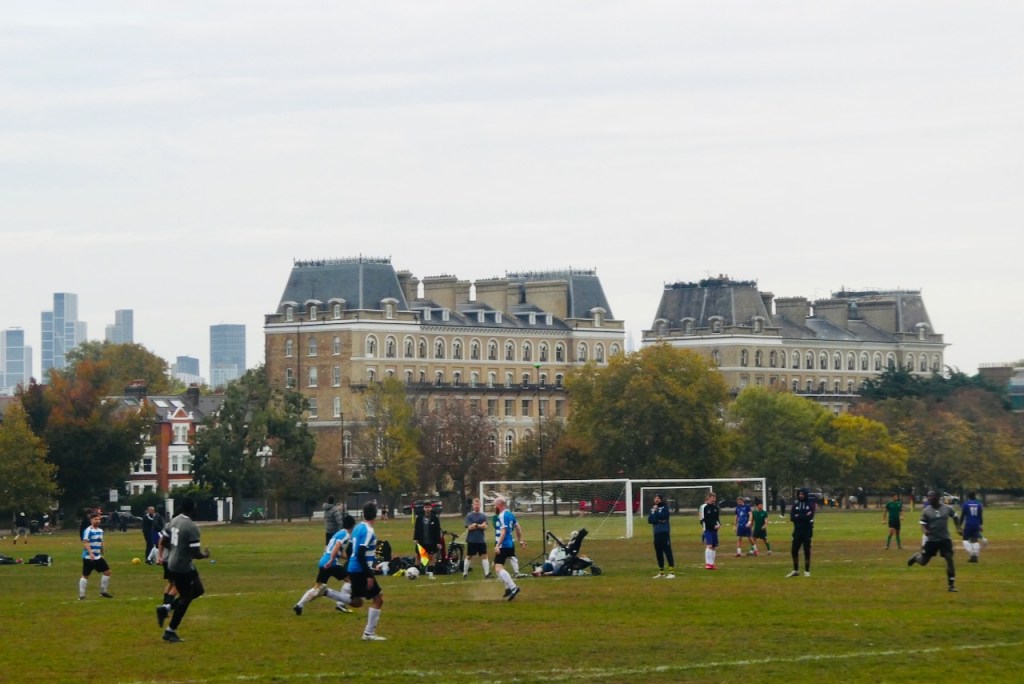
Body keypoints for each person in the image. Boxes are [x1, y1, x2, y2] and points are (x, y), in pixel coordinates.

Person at [156, 498, 211, 642]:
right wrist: (205, 555)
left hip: (175, 563)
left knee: (198, 590)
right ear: (193, 509)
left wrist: (175, 550)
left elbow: (164, 541)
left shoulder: (174, 520)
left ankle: (166, 608)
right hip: (182, 567)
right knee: (186, 598)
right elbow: (195, 553)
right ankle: (170, 631)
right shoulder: (191, 527)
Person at [294, 514, 356, 615]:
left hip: (323, 561)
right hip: (331, 563)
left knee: (318, 587)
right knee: (351, 580)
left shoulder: (338, 533)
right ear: (352, 526)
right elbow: (337, 546)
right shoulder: (346, 534)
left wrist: (348, 558)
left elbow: (334, 550)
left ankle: (299, 605)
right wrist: (331, 560)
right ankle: (340, 604)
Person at [347, 502, 386, 641]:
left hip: (354, 568)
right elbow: (360, 553)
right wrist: (369, 575)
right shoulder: (369, 531)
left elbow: (349, 550)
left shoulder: (358, 527)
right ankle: (369, 634)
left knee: (357, 601)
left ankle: (328, 593)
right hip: (360, 570)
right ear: (375, 514)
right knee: (378, 598)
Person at [908, 490, 961, 592]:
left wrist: (958, 528)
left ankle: (951, 585)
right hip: (932, 540)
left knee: (949, 558)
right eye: (928, 497)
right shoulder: (926, 511)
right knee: (923, 562)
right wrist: (925, 531)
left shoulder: (947, 508)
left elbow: (955, 517)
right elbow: (922, 524)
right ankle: (916, 557)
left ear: (937, 498)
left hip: (945, 539)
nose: (929, 499)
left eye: (931, 497)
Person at [492, 496, 524, 600]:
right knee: (497, 567)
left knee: (498, 567)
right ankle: (508, 588)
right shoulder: (510, 514)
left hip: (503, 545)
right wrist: (520, 541)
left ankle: (513, 587)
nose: (494, 507)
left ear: (499, 505)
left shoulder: (502, 515)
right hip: (511, 545)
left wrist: (497, 545)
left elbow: (503, 531)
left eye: (494, 505)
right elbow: (518, 528)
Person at [79, 511, 113, 600]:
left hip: (97, 556)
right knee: (85, 575)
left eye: (99, 519)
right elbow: (85, 542)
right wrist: (90, 553)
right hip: (89, 557)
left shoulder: (100, 531)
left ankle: (103, 592)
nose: (98, 521)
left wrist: (102, 553)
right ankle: (82, 595)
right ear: (91, 520)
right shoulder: (88, 530)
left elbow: (101, 541)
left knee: (107, 572)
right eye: (95, 519)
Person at [786, 488, 815, 577]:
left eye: (802, 494)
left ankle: (807, 571)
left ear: (805, 495)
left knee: (806, 550)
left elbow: (809, 517)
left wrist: (798, 516)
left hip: (807, 531)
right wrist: (802, 516)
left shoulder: (810, 505)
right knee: (794, 550)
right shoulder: (795, 505)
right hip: (797, 531)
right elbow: (792, 517)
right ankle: (795, 570)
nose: (800, 496)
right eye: (799, 494)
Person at [647, 493, 675, 579]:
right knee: (658, 553)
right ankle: (661, 572)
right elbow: (650, 520)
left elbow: (664, 517)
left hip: (664, 533)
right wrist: (657, 518)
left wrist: (657, 515)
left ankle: (671, 572)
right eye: (655, 498)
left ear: (661, 499)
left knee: (667, 552)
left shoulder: (665, 507)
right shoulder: (653, 508)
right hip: (656, 533)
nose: (656, 499)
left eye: (658, 498)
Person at [463, 497, 490, 579]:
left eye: (478, 504)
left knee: (484, 555)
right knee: (469, 556)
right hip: (472, 539)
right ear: (473, 505)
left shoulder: (483, 516)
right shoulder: (469, 515)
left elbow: (485, 526)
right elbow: (469, 527)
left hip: (481, 539)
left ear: (480, 505)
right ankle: (465, 573)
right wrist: (479, 525)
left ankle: (487, 573)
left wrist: (477, 525)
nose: (477, 506)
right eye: (475, 505)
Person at [413, 503, 441, 574]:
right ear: (424, 508)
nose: (427, 509)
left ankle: (430, 572)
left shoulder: (435, 518)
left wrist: (438, 542)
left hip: (431, 541)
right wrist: (415, 538)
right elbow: (416, 529)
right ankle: (416, 572)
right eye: (426, 507)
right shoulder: (419, 518)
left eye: (428, 507)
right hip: (421, 540)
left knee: (431, 556)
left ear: (431, 508)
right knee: (418, 555)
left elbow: (437, 531)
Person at [699, 492, 721, 570]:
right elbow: (704, 520)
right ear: (708, 498)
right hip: (707, 529)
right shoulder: (705, 507)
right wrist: (713, 525)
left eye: (715, 498)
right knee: (709, 545)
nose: (714, 499)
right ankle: (708, 564)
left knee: (714, 546)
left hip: (714, 529)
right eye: (712, 498)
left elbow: (717, 518)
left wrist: (719, 525)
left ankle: (712, 564)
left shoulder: (715, 508)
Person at [960, 492, 984, 562]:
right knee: (975, 540)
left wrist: (959, 525)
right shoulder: (979, 504)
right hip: (976, 524)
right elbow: (980, 516)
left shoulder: (966, 504)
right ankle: (975, 557)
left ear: (968, 497)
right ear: (975, 497)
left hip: (968, 524)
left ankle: (972, 552)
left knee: (965, 539)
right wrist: (980, 525)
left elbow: (963, 515)